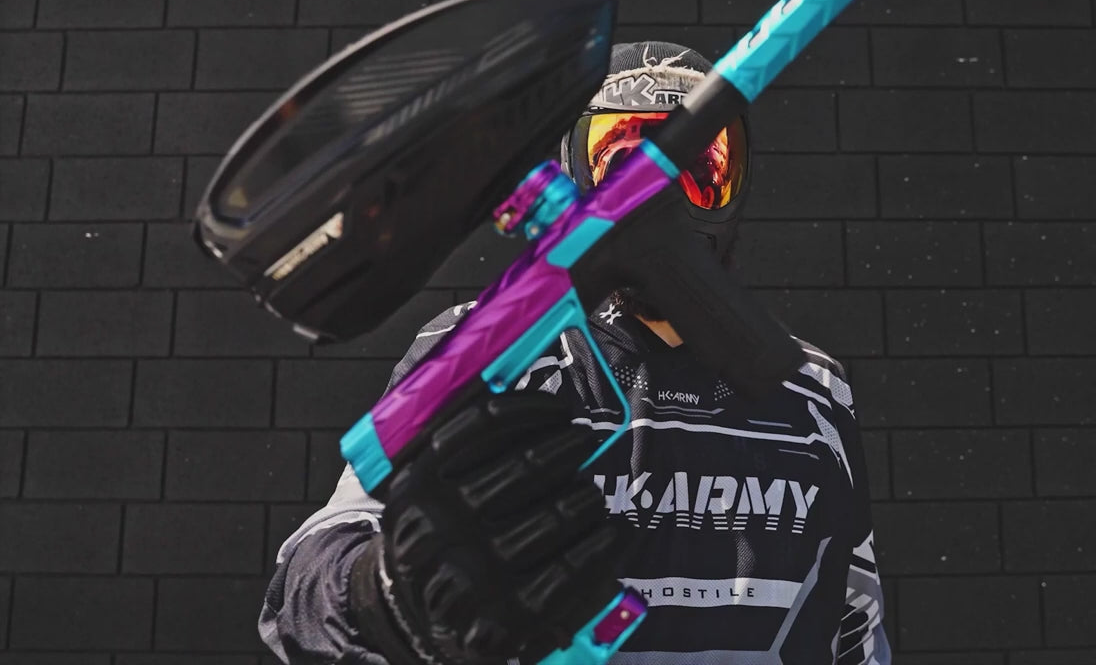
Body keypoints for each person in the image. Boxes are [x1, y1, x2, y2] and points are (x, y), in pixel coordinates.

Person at [259, 42, 890, 665]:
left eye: (703, 171)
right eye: (622, 166)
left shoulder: (812, 392)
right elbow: (312, 580)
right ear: (574, 180)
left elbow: (856, 626)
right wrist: (384, 595)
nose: (660, 204)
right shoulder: (491, 350)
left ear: (739, 184)